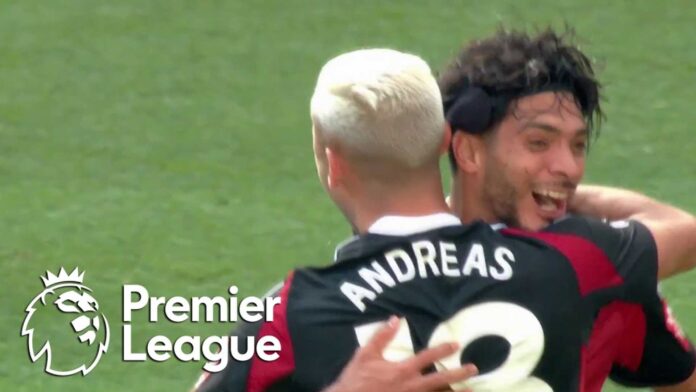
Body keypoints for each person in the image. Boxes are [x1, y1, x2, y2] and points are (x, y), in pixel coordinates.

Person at [195, 48, 679, 392]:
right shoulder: (578, 259)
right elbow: (680, 232)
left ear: (332, 162)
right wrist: (562, 196)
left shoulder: (288, 314)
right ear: (447, 140)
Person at [438, 28, 696, 391]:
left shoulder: (386, 254)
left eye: (577, 145)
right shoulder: (596, 258)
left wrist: (545, 192)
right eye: (539, 142)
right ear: (467, 151)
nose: (569, 167)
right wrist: (565, 197)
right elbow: (684, 231)